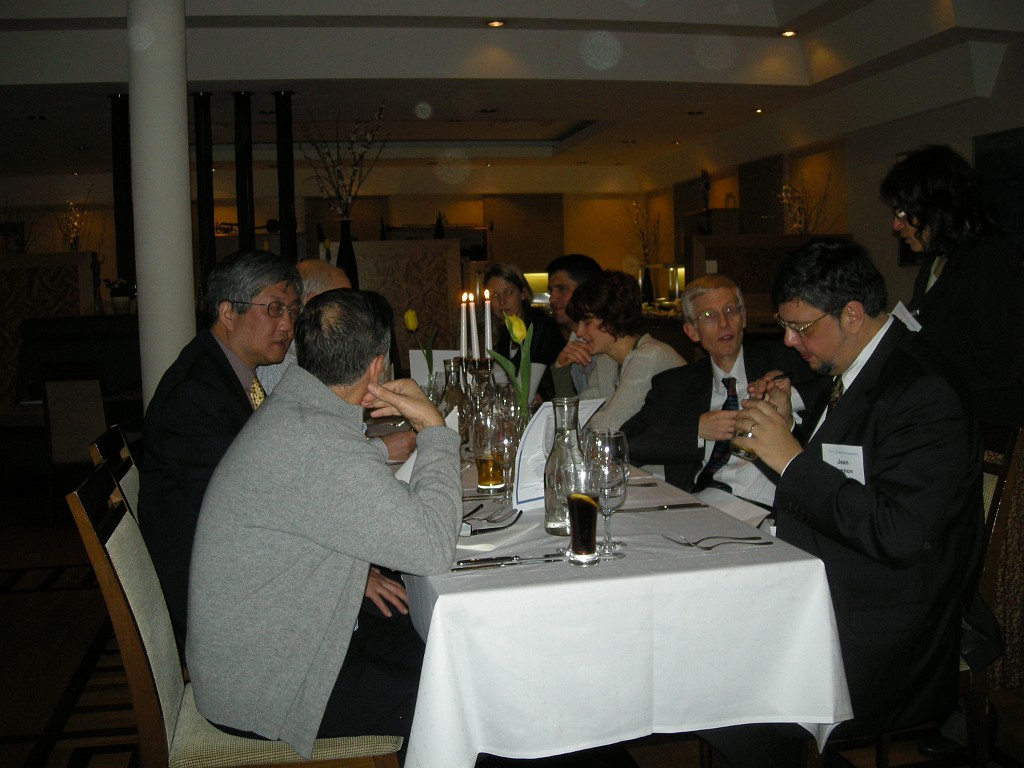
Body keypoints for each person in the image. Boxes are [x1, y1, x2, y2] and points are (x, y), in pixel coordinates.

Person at [700, 238, 985, 766]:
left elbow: (898, 535)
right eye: (785, 325)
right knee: (695, 637)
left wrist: (790, 458)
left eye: (801, 327)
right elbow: (844, 475)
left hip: (884, 625)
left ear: (852, 314)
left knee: (716, 691)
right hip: (823, 588)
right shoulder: (855, 371)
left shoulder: (923, 391)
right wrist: (790, 434)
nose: (788, 341)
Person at [187, 289, 461, 764]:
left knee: (442, 651)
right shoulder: (318, 442)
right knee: (452, 697)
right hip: (268, 686)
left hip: (282, 643)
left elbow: (318, 488)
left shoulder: (297, 410)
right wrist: (435, 430)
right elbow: (434, 547)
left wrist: (377, 453)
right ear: (377, 367)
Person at [138, 250, 301, 649]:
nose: (287, 325)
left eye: (293, 311)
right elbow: (246, 513)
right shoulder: (195, 395)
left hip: (242, 568)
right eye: (274, 309)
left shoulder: (226, 373)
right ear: (228, 313)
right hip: (223, 603)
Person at [621, 275, 803, 506]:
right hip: (700, 502)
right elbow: (624, 444)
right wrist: (696, 431)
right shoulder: (676, 385)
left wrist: (787, 411)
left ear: (744, 317)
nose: (724, 323)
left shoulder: (787, 361)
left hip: (767, 507)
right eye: (709, 316)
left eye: (730, 310)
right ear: (692, 331)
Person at [880, 144, 1024, 426]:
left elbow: (1002, 363)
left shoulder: (989, 260)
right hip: (944, 416)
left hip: (985, 424)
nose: (896, 226)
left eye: (903, 213)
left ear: (936, 207)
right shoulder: (936, 260)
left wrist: (923, 366)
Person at [258, 258, 416, 464]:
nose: (353, 310)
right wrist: (381, 449)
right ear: (315, 303)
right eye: (344, 301)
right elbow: (306, 453)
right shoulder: (281, 362)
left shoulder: (321, 353)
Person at [565, 270, 685, 431]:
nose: (579, 332)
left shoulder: (650, 357)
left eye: (587, 323)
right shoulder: (607, 360)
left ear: (612, 318)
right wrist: (560, 367)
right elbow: (578, 411)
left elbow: (608, 427)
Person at [483, 262, 565, 401]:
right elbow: (496, 383)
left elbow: (524, 393)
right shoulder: (505, 331)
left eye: (509, 292)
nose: (502, 301)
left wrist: (510, 393)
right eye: (495, 295)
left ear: (523, 294)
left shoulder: (539, 326)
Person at [546, 253, 618, 398]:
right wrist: (560, 369)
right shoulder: (575, 339)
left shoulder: (608, 342)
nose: (552, 299)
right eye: (551, 291)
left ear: (588, 291)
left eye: (562, 289)